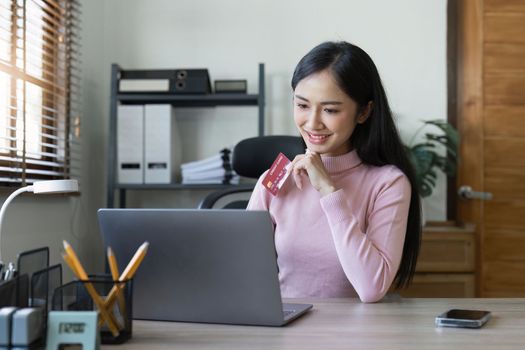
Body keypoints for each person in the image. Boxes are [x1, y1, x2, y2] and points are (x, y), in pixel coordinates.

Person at [247, 41, 421, 303]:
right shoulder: (276, 178)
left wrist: (329, 191)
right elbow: (242, 270)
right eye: (302, 105)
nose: (313, 122)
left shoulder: (388, 183)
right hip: (284, 331)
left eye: (330, 110)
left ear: (364, 111)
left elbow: (371, 287)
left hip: (357, 336)